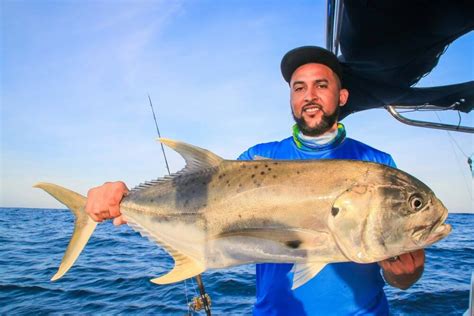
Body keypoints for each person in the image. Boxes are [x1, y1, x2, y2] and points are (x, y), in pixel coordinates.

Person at [85, 46, 425, 315]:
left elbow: (402, 280)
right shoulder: (257, 158)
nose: (310, 96)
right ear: (292, 99)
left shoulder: (378, 164)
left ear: (342, 96)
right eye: (299, 88)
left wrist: (404, 273)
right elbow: (198, 200)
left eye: (322, 86)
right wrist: (123, 197)